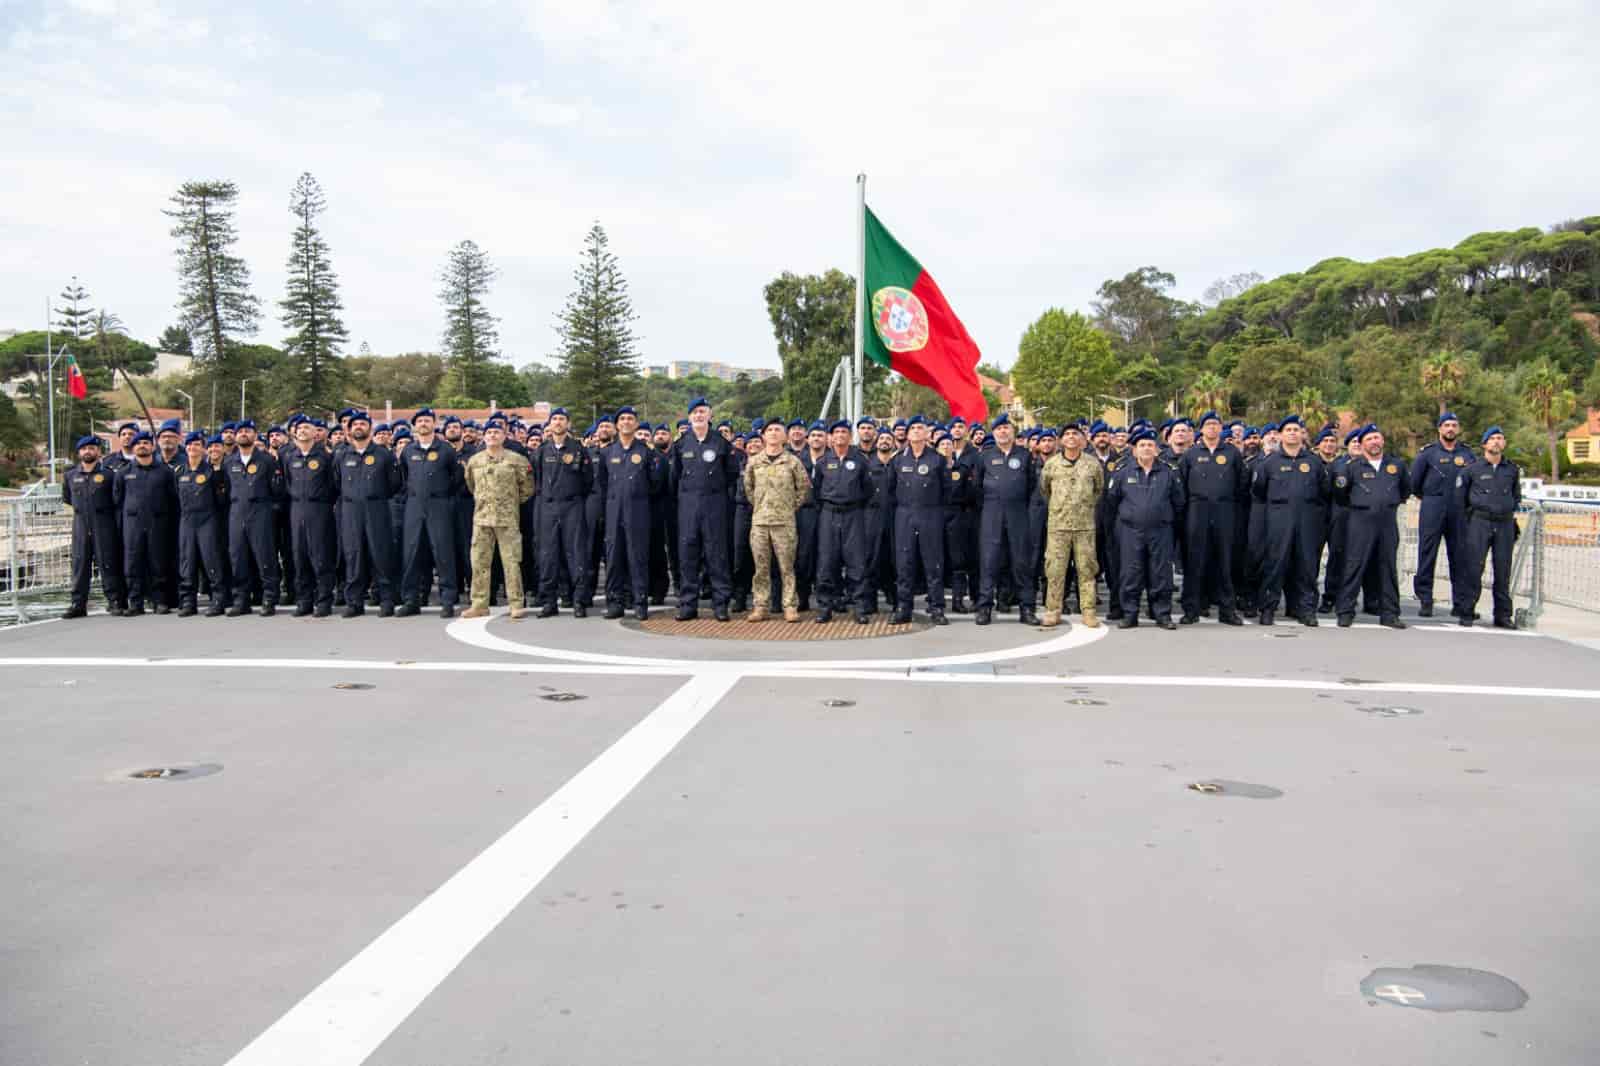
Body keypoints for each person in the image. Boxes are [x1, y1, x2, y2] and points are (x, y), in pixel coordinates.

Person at [1250, 415, 1328, 626]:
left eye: (1296, 429)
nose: (1293, 433)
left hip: (1307, 518)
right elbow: (1258, 491)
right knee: (1275, 564)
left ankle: (1306, 610)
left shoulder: (1313, 462)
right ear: (1281, 435)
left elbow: (1324, 491)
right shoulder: (1270, 463)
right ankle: (1268, 609)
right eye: (1289, 430)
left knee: (1307, 566)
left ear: (1302, 434)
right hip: (1278, 518)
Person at [1332, 424, 1410, 629]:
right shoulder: (1352, 467)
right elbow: (1341, 495)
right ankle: (1345, 611)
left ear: (1382, 441)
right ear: (1362, 444)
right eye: (1369, 439)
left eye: (1377, 438)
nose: (1374, 442)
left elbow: (1405, 491)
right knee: (1354, 566)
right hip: (1360, 519)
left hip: (1387, 521)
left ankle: (1390, 614)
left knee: (1388, 568)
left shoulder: (1397, 465)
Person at [1105, 428, 1184, 628]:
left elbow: (1179, 501)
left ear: (1157, 449)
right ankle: (1130, 614)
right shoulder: (1123, 471)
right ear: (1134, 450)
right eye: (1142, 445)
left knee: (1160, 573)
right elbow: (1112, 500)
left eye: (1150, 445)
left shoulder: (1168, 472)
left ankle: (1161, 614)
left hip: (1161, 531)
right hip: (1130, 531)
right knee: (1131, 572)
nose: (1146, 448)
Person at [669, 397, 738, 621]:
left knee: (716, 554)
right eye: (695, 412)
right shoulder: (681, 444)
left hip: (714, 504)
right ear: (689, 417)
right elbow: (674, 478)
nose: (699, 415)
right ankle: (688, 604)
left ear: (710, 415)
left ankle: (720, 604)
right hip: (688, 505)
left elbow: (731, 474)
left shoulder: (721, 443)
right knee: (688, 555)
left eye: (703, 411)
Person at [1178, 411, 1246, 625]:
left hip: (1225, 511)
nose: (1212, 428)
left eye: (1216, 424)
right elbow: (1181, 484)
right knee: (1194, 562)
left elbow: (1241, 483)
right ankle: (1191, 609)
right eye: (1208, 424)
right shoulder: (1190, 454)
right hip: (1197, 511)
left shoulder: (1232, 453)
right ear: (1201, 429)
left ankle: (1227, 610)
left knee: (1224, 562)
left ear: (1220, 428)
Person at [462, 419, 534, 619]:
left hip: (507, 518)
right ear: (483, 437)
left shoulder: (517, 460)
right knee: (479, 562)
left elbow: (527, 488)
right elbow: (471, 485)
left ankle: (516, 603)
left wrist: (509, 502)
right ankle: (479, 603)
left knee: (511, 561)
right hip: (482, 518)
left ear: (504, 436)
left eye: (497, 432)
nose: (493, 436)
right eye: (489, 433)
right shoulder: (475, 461)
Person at [598, 406, 662, 620]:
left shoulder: (646, 451)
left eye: (630, 419)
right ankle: (615, 602)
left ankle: (639, 602)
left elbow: (655, 483)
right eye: (622, 418)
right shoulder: (607, 452)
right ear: (617, 425)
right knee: (614, 558)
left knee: (638, 557)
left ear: (636, 424)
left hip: (638, 511)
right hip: (614, 510)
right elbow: (603, 483)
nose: (626, 421)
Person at [743, 419, 810, 623]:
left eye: (777, 430)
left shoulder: (793, 462)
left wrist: (788, 508)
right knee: (761, 568)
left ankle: (789, 606)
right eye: (769, 430)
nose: (773, 433)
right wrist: (762, 506)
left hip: (785, 523)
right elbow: (749, 489)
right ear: (763, 436)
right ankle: (761, 606)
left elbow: (803, 489)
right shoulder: (754, 462)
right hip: (760, 523)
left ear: (785, 436)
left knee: (787, 568)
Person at [398, 408, 463, 618]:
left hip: (439, 505)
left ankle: (447, 600)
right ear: (415, 426)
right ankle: (411, 599)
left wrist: (441, 494)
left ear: (434, 424)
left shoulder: (445, 450)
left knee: (443, 553)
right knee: (412, 553)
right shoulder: (408, 451)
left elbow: (456, 478)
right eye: (420, 421)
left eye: (427, 420)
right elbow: (403, 478)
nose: (423, 424)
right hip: (415, 505)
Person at [975, 413, 1038, 626]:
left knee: (1022, 563)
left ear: (1013, 432)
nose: (1003, 431)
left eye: (1006, 428)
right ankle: (984, 607)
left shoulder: (1024, 455)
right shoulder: (985, 456)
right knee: (989, 562)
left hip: (1018, 515)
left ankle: (1027, 608)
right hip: (991, 515)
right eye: (999, 429)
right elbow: (976, 489)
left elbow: (1032, 487)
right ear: (994, 433)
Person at [1455, 426, 1521, 629]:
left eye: (1500, 438)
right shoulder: (1472, 470)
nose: (1496, 442)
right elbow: (1460, 499)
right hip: (1480, 522)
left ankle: (1502, 615)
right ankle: (1466, 611)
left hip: (1504, 523)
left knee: (1503, 570)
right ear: (1484, 444)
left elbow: (1516, 496)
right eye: (1492, 438)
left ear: (1504, 443)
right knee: (1474, 568)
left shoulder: (1511, 469)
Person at [1038, 424, 1103, 628]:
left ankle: (1089, 611)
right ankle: (1053, 610)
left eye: (1075, 434)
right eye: (1066, 434)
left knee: (1087, 569)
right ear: (1061, 440)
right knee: (1055, 570)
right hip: (1058, 527)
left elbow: (1098, 490)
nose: (1071, 437)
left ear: (1083, 439)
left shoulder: (1092, 464)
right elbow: (1045, 490)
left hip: (1084, 527)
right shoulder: (1052, 464)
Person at [1410, 411, 1474, 617]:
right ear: (1439, 429)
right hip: (1433, 507)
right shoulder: (1427, 454)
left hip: (1459, 510)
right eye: (1446, 425)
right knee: (1427, 555)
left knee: (1460, 557)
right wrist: (1431, 499)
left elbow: (1473, 482)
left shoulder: (1467, 454)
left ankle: (1460, 602)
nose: (1450, 429)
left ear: (1458, 429)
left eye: (1454, 425)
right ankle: (1425, 600)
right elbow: (1415, 484)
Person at [337, 411, 401, 617]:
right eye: (355, 424)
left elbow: (394, 483)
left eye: (363, 424)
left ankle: (386, 600)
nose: (358, 427)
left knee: (380, 554)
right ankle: (354, 603)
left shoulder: (383, 454)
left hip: (377, 509)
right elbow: (334, 482)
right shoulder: (341, 455)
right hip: (351, 510)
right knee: (353, 555)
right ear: (349, 429)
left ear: (370, 429)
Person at [533, 407, 594, 618]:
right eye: (555, 419)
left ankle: (579, 601)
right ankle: (549, 601)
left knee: (576, 554)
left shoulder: (578, 449)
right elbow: (537, 481)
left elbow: (588, 481)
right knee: (548, 555)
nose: (558, 422)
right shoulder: (541, 451)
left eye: (562, 419)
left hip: (573, 507)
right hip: (548, 507)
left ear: (568, 424)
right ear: (550, 424)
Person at [889, 415, 949, 625]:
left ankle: (937, 608)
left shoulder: (937, 459)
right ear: (907, 433)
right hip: (904, 516)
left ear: (927, 433)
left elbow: (946, 491)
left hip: (930, 515)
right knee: (904, 564)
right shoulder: (898, 459)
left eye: (920, 427)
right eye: (912, 427)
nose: (915, 431)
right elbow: (890, 490)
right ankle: (904, 607)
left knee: (933, 564)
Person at [811, 419, 871, 624]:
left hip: (853, 515)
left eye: (844, 432)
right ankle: (825, 607)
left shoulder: (860, 461)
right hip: (828, 515)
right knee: (826, 562)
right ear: (830, 437)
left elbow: (868, 490)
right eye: (836, 432)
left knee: (856, 563)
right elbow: (816, 491)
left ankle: (860, 607)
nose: (840, 436)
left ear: (849, 437)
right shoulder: (823, 462)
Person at [113, 430, 179, 616]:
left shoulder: (165, 472)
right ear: (133, 448)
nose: (142, 446)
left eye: (145, 443)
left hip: (158, 523)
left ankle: (159, 601)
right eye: (138, 443)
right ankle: (135, 602)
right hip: (132, 524)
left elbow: (173, 499)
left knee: (158, 562)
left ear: (152, 446)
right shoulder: (124, 473)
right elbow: (117, 500)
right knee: (133, 563)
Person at [223, 420, 283, 616]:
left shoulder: (266, 460)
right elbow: (227, 489)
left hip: (260, 510)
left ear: (255, 435)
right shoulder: (229, 461)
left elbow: (275, 489)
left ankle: (269, 598)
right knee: (238, 557)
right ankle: (241, 599)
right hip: (237, 511)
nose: (243, 434)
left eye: (248, 431)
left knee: (265, 556)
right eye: (240, 431)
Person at [63, 435, 127, 617]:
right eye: (84, 449)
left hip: (103, 523)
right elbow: (68, 498)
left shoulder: (109, 474)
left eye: (92, 448)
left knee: (108, 562)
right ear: (79, 453)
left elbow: (116, 499)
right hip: (81, 524)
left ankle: (115, 601)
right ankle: (78, 604)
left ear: (98, 451)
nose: (88, 452)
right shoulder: (70, 475)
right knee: (79, 564)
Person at [283, 417, 338, 617]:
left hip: (319, 509)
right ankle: (304, 601)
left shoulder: (325, 457)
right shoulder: (291, 457)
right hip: (297, 509)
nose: (302, 430)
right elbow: (288, 483)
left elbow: (334, 485)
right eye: (299, 428)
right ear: (294, 433)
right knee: (300, 556)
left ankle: (323, 601)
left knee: (321, 556)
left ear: (316, 433)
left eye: (307, 427)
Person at [174, 430, 230, 617]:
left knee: (211, 559)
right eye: (189, 445)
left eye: (197, 444)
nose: (192, 448)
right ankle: (188, 602)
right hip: (187, 520)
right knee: (187, 562)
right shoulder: (179, 472)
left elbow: (220, 499)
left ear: (203, 449)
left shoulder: (211, 471)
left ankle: (218, 600)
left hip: (208, 519)